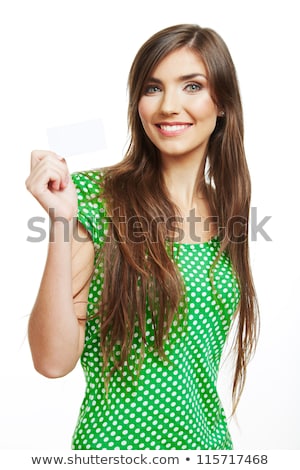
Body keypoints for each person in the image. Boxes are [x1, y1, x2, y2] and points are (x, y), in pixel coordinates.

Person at [26, 23, 259, 450]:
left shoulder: (229, 215)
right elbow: (53, 361)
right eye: (153, 89)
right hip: (116, 451)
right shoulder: (97, 201)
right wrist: (61, 221)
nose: (170, 105)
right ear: (138, 104)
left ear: (222, 103)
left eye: (192, 86)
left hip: (209, 449)